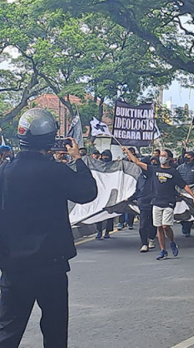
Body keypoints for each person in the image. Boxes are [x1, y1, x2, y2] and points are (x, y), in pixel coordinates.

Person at [0, 108, 98, 347]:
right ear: (49, 137)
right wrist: (78, 158)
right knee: (54, 331)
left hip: (14, 267)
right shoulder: (55, 171)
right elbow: (88, 192)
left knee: (7, 332)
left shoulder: (4, 172)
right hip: (50, 265)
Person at [124, 147, 194, 260]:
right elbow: (137, 162)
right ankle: (163, 250)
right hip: (156, 202)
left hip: (168, 202)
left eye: (164, 156)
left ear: (169, 158)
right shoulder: (154, 170)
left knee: (165, 226)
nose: (161, 158)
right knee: (159, 227)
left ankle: (172, 242)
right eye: (161, 156)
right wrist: (128, 152)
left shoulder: (173, 172)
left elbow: (184, 185)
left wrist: (193, 197)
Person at [133, 157, 159, 253]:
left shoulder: (155, 175)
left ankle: (151, 238)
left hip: (154, 202)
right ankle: (144, 243)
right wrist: (131, 198)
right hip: (142, 203)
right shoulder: (140, 177)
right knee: (143, 224)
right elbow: (137, 190)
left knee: (153, 222)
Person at [177, 151, 194, 237]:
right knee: (181, 209)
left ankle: (188, 226)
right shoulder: (180, 168)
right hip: (181, 191)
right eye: (185, 156)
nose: (186, 157)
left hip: (193, 191)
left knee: (191, 209)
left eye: (188, 156)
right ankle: (184, 225)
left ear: (192, 158)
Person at [95, 150, 116, 239]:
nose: (105, 158)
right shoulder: (98, 165)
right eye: (103, 156)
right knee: (98, 212)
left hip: (110, 193)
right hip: (100, 193)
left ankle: (107, 231)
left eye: (106, 156)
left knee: (110, 213)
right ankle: (99, 231)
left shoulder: (114, 166)